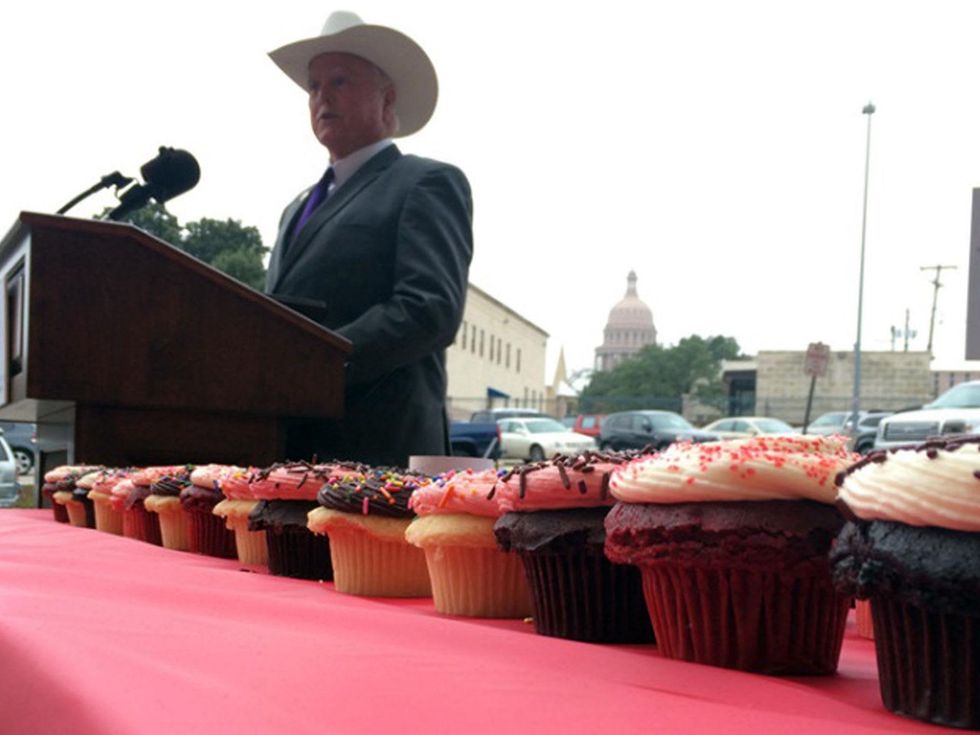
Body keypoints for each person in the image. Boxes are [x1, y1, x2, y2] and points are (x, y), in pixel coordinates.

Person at [265, 11, 473, 468]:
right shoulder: (295, 210)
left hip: (379, 457)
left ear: (387, 98)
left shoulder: (425, 182)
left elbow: (429, 309)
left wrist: (314, 366)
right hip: (291, 453)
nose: (322, 98)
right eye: (314, 86)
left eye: (340, 81)